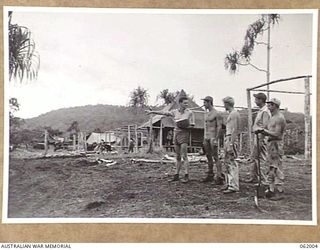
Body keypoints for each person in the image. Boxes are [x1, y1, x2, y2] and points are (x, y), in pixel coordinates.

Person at [146, 96, 194, 183]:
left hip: (184, 134)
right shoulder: (175, 112)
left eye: (187, 103)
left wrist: (184, 125)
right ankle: (176, 175)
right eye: (184, 103)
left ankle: (186, 175)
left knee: (184, 155)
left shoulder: (190, 113)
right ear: (180, 103)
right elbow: (164, 113)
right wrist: (152, 111)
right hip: (176, 134)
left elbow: (193, 125)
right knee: (178, 156)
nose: (186, 105)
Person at [255, 98, 286, 200]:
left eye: (270, 105)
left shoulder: (279, 118)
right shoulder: (272, 117)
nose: (268, 106)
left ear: (275, 106)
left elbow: (277, 134)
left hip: (276, 144)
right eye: (268, 104)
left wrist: (264, 131)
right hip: (270, 144)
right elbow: (269, 131)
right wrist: (261, 132)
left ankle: (279, 191)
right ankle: (271, 190)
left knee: (277, 167)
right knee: (270, 167)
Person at [245, 93, 271, 183]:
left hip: (261, 137)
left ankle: (264, 180)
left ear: (261, 100)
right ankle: (254, 177)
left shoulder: (265, 111)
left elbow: (265, 126)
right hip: (257, 137)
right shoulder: (261, 110)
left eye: (256, 99)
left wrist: (261, 139)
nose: (255, 101)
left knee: (261, 159)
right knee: (254, 157)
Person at [201, 96, 224, 184]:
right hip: (206, 137)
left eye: (205, 103)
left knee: (215, 156)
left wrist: (216, 138)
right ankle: (210, 174)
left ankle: (219, 176)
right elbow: (205, 127)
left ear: (209, 102)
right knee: (208, 156)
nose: (204, 105)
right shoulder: (206, 114)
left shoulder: (216, 113)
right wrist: (204, 138)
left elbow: (219, 127)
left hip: (213, 137)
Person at [221, 96, 241, 194]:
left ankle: (234, 185)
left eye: (224, 103)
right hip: (228, 137)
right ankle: (229, 183)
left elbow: (234, 129)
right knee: (227, 162)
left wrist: (231, 143)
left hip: (231, 138)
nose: (224, 105)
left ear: (227, 104)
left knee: (232, 161)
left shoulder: (234, 114)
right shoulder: (231, 114)